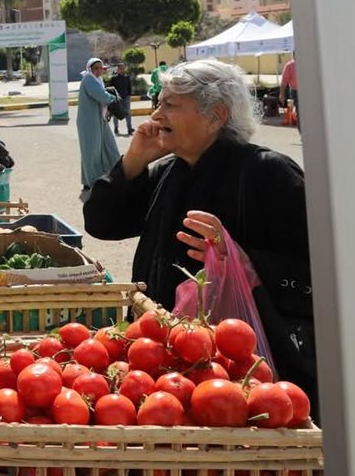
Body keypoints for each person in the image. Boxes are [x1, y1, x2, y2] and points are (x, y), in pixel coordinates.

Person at [82, 60, 317, 410]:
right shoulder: (168, 171)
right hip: (167, 366)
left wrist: (246, 261)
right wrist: (133, 162)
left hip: (241, 374)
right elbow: (102, 223)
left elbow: (321, 269)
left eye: (170, 105)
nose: (156, 115)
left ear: (216, 116)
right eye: (158, 103)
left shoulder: (268, 173)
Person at [77, 58, 121, 192]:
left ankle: (115, 175)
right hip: (89, 122)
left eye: (100, 68)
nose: (98, 71)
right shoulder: (88, 80)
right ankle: (91, 181)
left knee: (109, 146)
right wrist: (114, 99)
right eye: (95, 68)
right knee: (92, 152)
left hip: (100, 120)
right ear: (90, 69)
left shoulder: (97, 80)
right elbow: (102, 96)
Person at [108, 62, 134, 136]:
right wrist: (113, 97)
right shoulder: (114, 78)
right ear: (117, 69)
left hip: (126, 97)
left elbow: (129, 87)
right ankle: (116, 128)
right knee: (116, 114)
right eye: (120, 68)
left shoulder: (126, 77)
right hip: (117, 98)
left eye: (123, 68)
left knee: (128, 113)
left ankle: (129, 129)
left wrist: (129, 95)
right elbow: (111, 88)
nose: (121, 70)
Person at [278, 54, 299, 128]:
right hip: (295, 91)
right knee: (299, 110)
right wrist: (281, 94)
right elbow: (284, 81)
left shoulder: (306, 64)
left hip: (304, 90)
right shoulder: (289, 65)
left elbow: (284, 82)